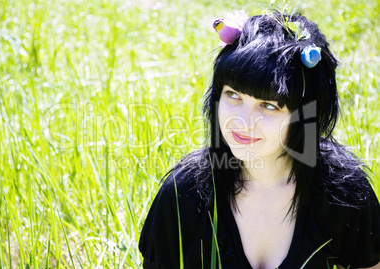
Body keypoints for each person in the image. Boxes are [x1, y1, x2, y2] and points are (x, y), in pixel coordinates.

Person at [138, 10, 380, 269]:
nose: (243, 120)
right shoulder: (184, 193)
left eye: (269, 105)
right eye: (233, 95)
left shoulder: (344, 192)